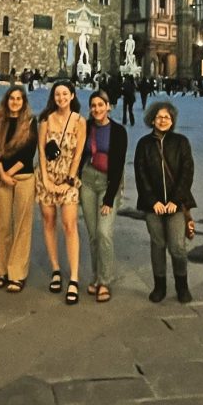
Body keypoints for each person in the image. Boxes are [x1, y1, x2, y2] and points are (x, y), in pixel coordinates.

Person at [133, 101, 195, 304]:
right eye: (159, 117)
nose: (163, 120)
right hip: (153, 205)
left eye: (167, 117)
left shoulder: (181, 142)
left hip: (176, 205)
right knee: (158, 244)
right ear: (152, 119)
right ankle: (159, 285)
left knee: (177, 246)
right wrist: (153, 201)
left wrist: (176, 200)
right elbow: (140, 174)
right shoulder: (144, 144)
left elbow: (187, 172)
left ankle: (181, 285)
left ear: (173, 120)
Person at [35, 80, 87, 305]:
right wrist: (45, 179)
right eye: (57, 95)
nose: (61, 98)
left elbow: (78, 153)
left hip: (68, 178)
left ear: (72, 96)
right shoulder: (45, 120)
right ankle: (56, 268)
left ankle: (73, 277)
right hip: (46, 177)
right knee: (48, 221)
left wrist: (69, 180)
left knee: (69, 224)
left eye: (65, 94)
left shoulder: (79, 121)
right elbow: (40, 150)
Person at [79, 90, 127, 302]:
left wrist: (109, 198)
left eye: (101, 105)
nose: (97, 109)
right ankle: (97, 276)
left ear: (109, 106)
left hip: (109, 182)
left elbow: (118, 166)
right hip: (88, 181)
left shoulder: (118, 131)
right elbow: (79, 154)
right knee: (92, 234)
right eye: (93, 105)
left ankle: (105, 281)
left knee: (104, 232)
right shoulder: (86, 127)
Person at [0, 85, 38, 292]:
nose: (15, 102)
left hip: (23, 177)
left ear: (24, 102)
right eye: (12, 98)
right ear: (7, 100)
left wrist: (9, 174)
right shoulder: (0, 121)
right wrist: (1, 173)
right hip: (2, 177)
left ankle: (17, 273)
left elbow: (28, 152)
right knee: (0, 224)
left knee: (21, 226)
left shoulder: (29, 123)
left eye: (19, 98)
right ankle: (0, 269)